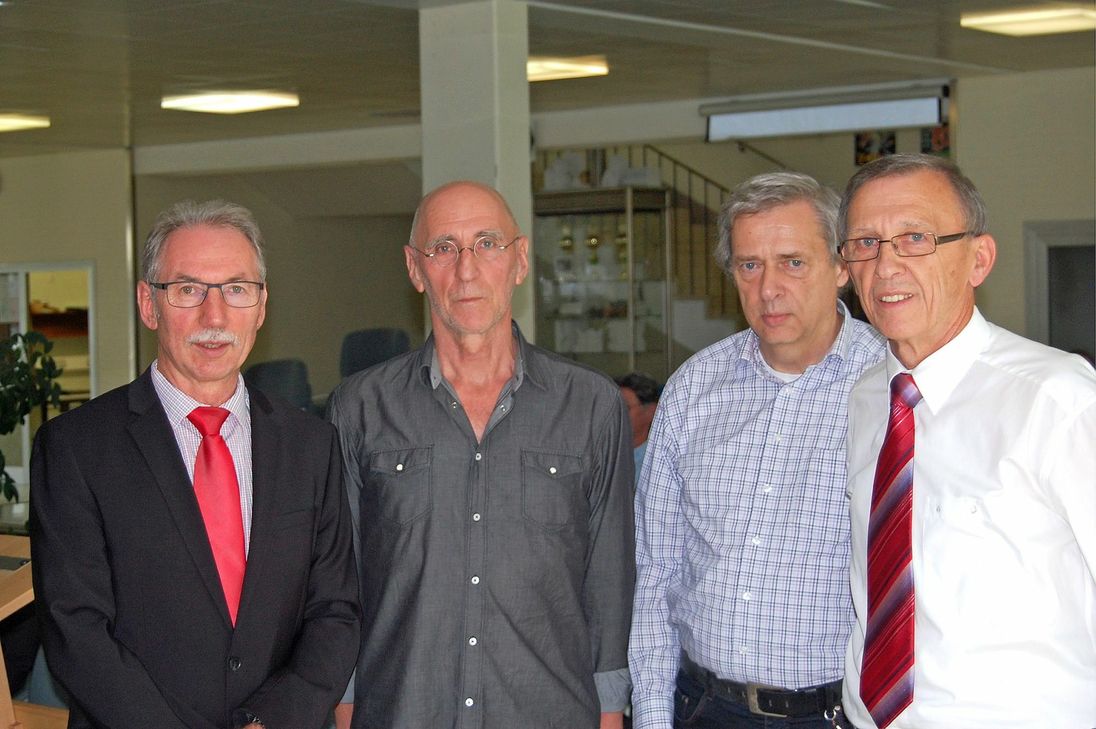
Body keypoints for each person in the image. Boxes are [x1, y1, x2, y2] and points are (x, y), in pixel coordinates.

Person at [30, 200, 361, 729]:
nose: (215, 316)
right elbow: (76, 629)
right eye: (188, 290)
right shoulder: (76, 448)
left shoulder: (311, 446)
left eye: (236, 289)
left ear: (261, 306)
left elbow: (335, 612)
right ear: (149, 304)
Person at [329, 180, 635, 729]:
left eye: (487, 244)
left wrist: (611, 710)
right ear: (415, 268)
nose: (466, 270)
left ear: (520, 260)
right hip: (404, 712)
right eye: (444, 248)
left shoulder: (591, 405)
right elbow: (339, 576)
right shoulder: (360, 407)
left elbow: (609, 578)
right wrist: (346, 702)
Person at [838, 154, 1096, 728]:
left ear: (979, 259)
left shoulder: (1057, 400)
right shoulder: (866, 399)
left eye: (915, 238)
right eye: (865, 243)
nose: (886, 266)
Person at [630, 172, 886, 728]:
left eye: (793, 262)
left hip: (836, 714)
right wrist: (651, 716)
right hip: (703, 708)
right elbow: (656, 571)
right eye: (750, 265)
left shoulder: (892, 385)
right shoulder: (694, 387)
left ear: (841, 267)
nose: (769, 288)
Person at [615, 372, 660, 484]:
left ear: (651, 412)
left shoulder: (657, 466)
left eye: (625, 408)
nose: (615, 414)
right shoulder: (600, 457)